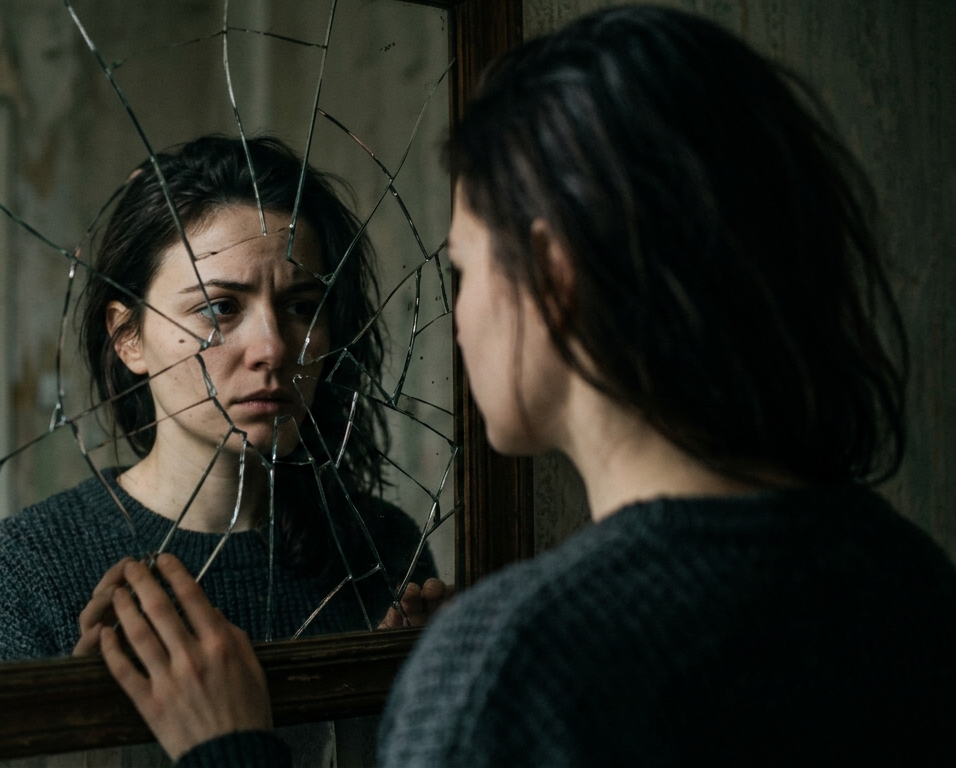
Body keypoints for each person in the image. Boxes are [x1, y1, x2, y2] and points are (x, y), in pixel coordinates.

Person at [88, 7, 956, 766]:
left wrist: (232, 751)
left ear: (551, 275)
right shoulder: (907, 575)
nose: (460, 320)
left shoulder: (518, 660)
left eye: (465, 271)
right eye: (219, 308)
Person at [0, 136, 444, 664]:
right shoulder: (30, 567)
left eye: (301, 307)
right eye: (220, 308)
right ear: (128, 337)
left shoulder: (382, 547)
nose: (274, 349)